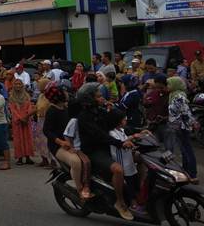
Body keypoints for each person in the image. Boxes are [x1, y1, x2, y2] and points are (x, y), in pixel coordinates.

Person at [76, 83, 134, 221]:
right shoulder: (84, 117)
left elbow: (117, 123)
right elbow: (100, 135)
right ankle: (120, 202)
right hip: (94, 151)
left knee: (139, 157)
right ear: (90, 99)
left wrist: (138, 133)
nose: (102, 98)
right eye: (98, 96)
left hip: (107, 146)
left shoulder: (100, 111)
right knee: (118, 170)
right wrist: (120, 143)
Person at [43, 81, 92, 201]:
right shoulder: (52, 111)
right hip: (58, 146)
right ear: (58, 95)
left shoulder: (67, 107)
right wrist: (61, 142)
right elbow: (47, 131)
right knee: (76, 162)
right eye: (63, 91)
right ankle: (80, 190)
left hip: (72, 142)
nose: (66, 93)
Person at [167, 76, 199, 181]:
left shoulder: (179, 96)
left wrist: (192, 123)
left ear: (175, 85)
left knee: (187, 149)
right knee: (184, 149)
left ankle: (192, 173)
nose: (168, 86)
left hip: (182, 127)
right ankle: (186, 171)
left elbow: (185, 112)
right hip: (177, 126)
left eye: (169, 84)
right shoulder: (173, 95)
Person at [143, 74, 174, 152]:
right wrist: (146, 102)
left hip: (167, 125)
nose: (159, 89)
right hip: (154, 125)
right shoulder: (154, 93)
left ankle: (169, 163)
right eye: (156, 87)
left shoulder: (171, 95)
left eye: (161, 87)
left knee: (168, 148)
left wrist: (164, 118)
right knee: (154, 147)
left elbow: (174, 113)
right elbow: (146, 104)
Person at [9, 79, 34, 166]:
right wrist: (20, 118)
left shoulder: (26, 96)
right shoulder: (11, 97)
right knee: (18, 139)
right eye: (16, 84)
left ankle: (28, 157)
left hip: (26, 120)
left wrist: (27, 117)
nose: (18, 86)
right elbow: (13, 110)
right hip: (17, 121)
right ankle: (19, 158)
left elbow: (29, 107)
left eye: (19, 84)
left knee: (27, 138)